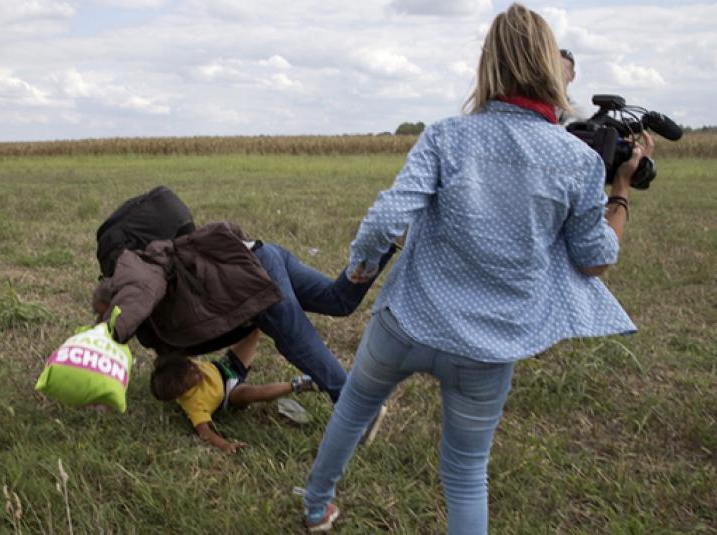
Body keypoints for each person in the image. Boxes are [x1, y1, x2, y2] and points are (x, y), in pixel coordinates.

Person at [301, 4, 655, 533]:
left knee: (353, 409)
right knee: (466, 474)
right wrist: (620, 189)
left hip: (405, 322)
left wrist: (361, 266)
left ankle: (316, 506)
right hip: (487, 348)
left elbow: (387, 217)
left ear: (488, 64)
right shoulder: (580, 161)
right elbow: (595, 259)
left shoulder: (446, 136)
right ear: (551, 67)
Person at [94, 221, 396, 404]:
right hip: (260, 254)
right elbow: (170, 356)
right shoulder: (155, 321)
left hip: (250, 279)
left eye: (104, 312)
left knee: (297, 341)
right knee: (337, 300)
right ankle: (384, 242)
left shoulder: (137, 282)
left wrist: (104, 336)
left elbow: (137, 298)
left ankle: (358, 407)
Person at [148, 329, 317, 452]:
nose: (196, 369)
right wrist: (225, 445)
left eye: (192, 365)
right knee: (252, 393)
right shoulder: (195, 405)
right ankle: (299, 384)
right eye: (193, 375)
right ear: (184, 389)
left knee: (253, 331)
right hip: (231, 393)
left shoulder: (181, 367)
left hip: (226, 367)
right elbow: (205, 433)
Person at [557, 48, 585, 125]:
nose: (557, 73)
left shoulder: (577, 112)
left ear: (572, 76)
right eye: (554, 68)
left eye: (563, 70)